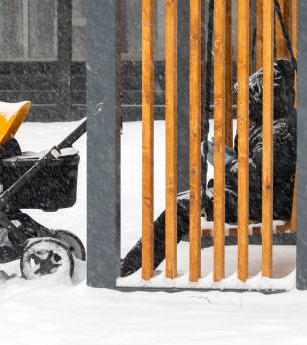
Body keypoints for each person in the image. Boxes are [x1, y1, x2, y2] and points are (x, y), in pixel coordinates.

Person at [120, 59, 297, 277]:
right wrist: (230, 156)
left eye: (249, 97)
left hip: (264, 204)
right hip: (263, 198)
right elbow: (263, 168)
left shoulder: (278, 130)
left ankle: (132, 267)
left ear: (264, 99)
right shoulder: (273, 125)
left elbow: (260, 177)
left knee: (182, 207)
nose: (245, 103)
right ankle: (135, 261)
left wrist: (227, 162)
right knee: (183, 203)